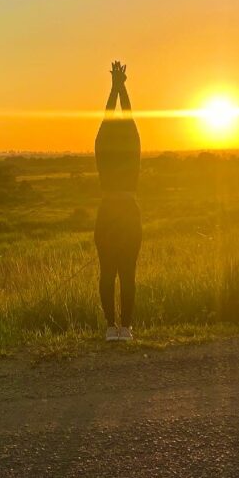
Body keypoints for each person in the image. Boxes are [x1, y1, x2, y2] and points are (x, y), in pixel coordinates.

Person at [94, 61, 142, 341]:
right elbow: (129, 117)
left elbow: (108, 116)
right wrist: (122, 87)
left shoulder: (102, 148)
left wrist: (114, 88)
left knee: (107, 271)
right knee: (127, 272)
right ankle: (126, 328)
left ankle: (111, 327)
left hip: (107, 210)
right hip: (128, 210)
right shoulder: (133, 148)